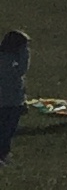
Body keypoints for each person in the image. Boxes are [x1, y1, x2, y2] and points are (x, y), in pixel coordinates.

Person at [0, 27, 27, 166]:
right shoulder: (10, 61)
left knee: (7, 129)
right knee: (6, 129)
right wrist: (25, 54)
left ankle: (4, 153)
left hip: (12, 101)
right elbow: (21, 71)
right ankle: (2, 154)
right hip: (8, 101)